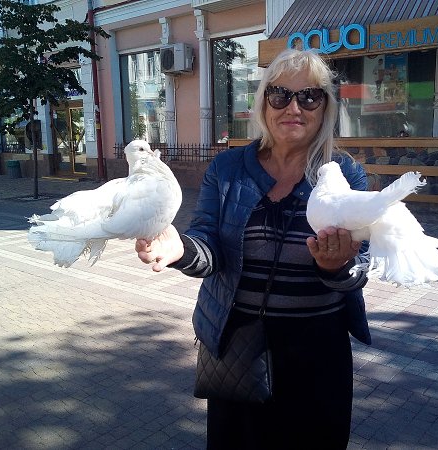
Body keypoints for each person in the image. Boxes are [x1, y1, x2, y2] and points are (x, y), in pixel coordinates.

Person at [135, 48, 371, 450]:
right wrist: (179, 250)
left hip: (316, 351)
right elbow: (209, 244)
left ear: (325, 106)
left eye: (309, 96)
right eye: (280, 95)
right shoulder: (227, 168)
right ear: (263, 102)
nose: (293, 107)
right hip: (239, 346)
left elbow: (362, 266)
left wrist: (336, 266)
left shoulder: (344, 173)